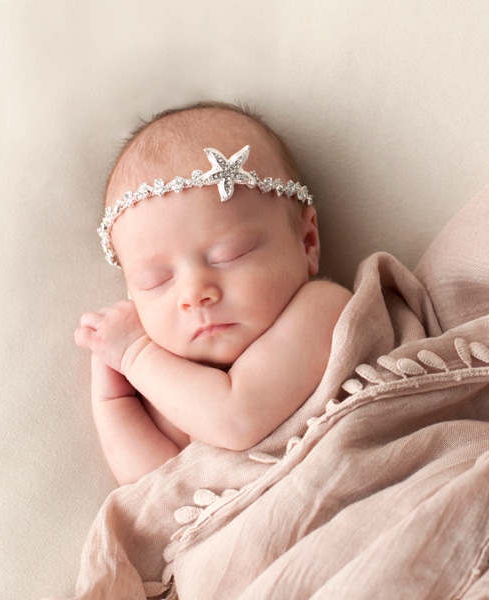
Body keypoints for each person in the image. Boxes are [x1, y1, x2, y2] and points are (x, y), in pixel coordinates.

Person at [74, 102, 352, 486]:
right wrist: (113, 397)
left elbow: (236, 416)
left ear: (306, 243)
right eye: (156, 280)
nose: (194, 294)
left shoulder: (322, 309)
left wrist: (135, 355)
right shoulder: (172, 383)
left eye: (229, 256)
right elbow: (159, 488)